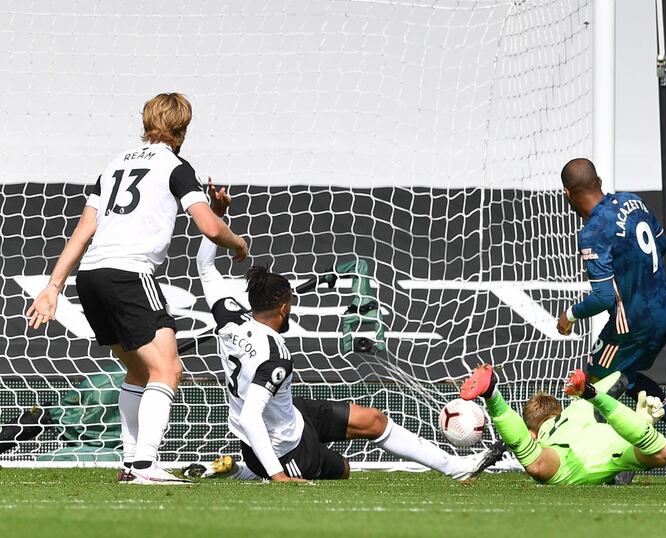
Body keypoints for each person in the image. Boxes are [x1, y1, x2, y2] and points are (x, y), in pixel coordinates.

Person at [196, 182, 501, 482]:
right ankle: (244, 472)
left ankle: (456, 468)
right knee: (342, 468)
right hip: (286, 452)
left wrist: (216, 213)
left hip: (290, 415)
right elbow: (250, 418)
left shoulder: (230, 319)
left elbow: (205, 267)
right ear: (283, 308)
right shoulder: (275, 357)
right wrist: (277, 474)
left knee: (374, 420)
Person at [26, 93, 249, 484]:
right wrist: (239, 243)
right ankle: (146, 463)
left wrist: (53, 286)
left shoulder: (113, 166)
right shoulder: (176, 166)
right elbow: (209, 228)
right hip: (130, 274)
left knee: (138, 371)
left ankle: (131, 464)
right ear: (182, 129)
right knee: (167, 369)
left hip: (91, 276)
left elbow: (83, 230)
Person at [555, 158, 666, 479]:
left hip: (635, 320)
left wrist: (569, 316)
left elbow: (603, 298)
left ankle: (610, 467)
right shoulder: (631, 201)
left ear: (568, 194)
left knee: (595, 381)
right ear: (598, 180)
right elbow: (662, 242)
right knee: (625, 376)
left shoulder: (593, 232)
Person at [460, 364, 666, 485]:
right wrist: (640, 421)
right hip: (617, 444)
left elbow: (507, 445)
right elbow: (620, 378)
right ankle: (593, 394)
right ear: (558, 410)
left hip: (568, 459)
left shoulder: (539, 437)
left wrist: (475, 472)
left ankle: (492, 394)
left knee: (537, 464)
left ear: (531, 432)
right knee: (664, 453)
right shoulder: (577, 406)